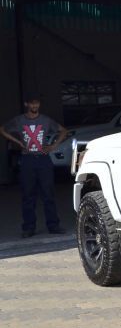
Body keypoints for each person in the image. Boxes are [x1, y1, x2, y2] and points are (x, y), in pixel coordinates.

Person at [0, 95, 68, 237]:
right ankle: (29, 227)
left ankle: (53, 225)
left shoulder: (45, 120)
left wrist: (53, 145)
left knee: (48, 194)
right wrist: (18, 143)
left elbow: (64, 131)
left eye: (37, 104)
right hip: (27, 160)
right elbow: (3, 129)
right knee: (28, 195)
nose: (35, 106)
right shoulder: (19, 120)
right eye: (32, 104)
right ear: (27, 104)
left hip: (43, 159)